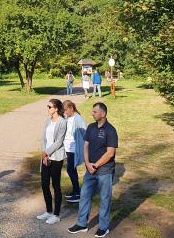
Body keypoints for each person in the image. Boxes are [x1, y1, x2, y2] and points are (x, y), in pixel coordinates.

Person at [67, 102, 118, 237]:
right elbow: (85, 146)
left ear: (103, 114)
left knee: (104, 199)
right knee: (84, 195)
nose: (92, 113)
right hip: (90, 169)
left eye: (95, 112)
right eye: (93, 111)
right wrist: (88, 163)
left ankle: (103, 227)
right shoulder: (90, 127)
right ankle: (82, 224)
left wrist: (96, 165)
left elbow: (110, 153)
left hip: (104, 171)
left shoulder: (111, 130)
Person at [37, 98, 67, 225]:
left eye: (49, 107)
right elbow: (43, 138)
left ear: (56, 108)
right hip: (46, 157)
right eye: (47, 106)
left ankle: (56, 214)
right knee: (44, 184)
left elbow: (59, 142)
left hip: (56, 157)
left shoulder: (62, 122)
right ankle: (48, 211)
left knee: (56, 185)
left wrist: (47, 153)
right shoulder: (47, 120)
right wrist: (44, 154)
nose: (48, 109)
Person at [63, 100, 88, 204]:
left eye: (66, 110)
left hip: (74, 149)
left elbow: (85, 132)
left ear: (71, 108)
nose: (65, 112)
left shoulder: (78, 118)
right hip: (68, 149)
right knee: (71, 170)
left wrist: (84, 146)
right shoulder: (68, 118)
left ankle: (77, 193)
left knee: (70, 170)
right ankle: (75, 191)